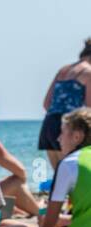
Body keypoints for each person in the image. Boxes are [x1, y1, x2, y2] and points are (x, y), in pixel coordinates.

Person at [0, 107, 91, 227]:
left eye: (62, 132)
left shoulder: (70, 163)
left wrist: (42, 213)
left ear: (77, 136)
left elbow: (47, 226)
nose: (58, 138)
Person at [39, 40, 91, 173]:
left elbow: (46, 103)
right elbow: (89, 107)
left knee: (60, 176)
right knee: (74, 176)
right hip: (71, 127)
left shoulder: (63, 70)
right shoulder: (88, 72)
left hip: (49, 124)